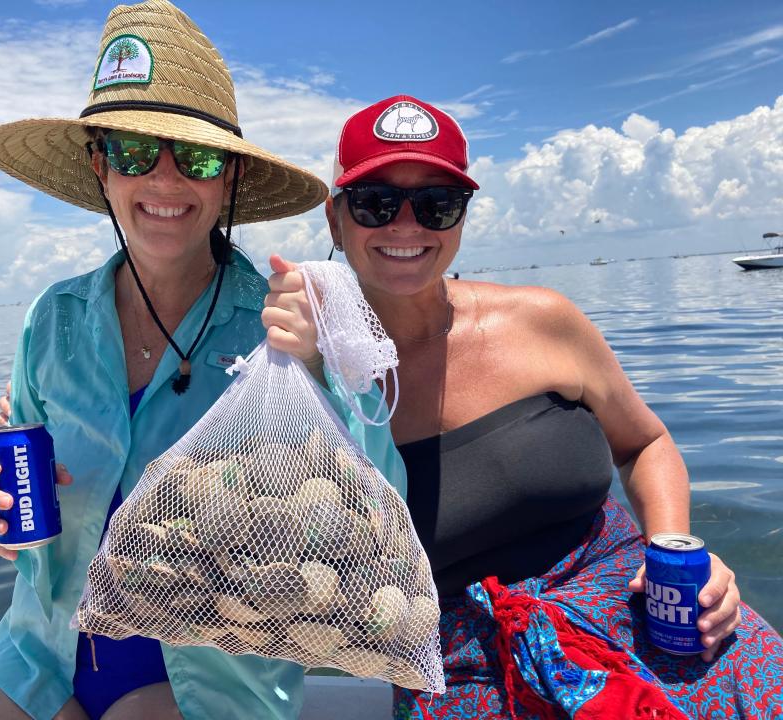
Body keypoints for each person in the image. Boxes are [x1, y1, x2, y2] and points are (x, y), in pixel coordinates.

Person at [0, 4, 404, 719]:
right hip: (38, 653)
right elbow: (29, 511)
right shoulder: (51, 319)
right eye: (131, 151)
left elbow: (379, 515)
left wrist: (322, 366)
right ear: (100, 165)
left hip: (205, 684)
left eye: (199, 158)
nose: (164, 180)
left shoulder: (285, 322)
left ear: (230, 180)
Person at [265, 95, 783, 719]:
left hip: (647, 610)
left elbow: (643, 443)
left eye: (437, 204)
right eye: (376, 201)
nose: (407, 225)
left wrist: (673, 548)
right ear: (334, 218)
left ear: (460, 218)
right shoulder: (307, 376)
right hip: (462, 662)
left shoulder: (544, 320)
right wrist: (319, 371)